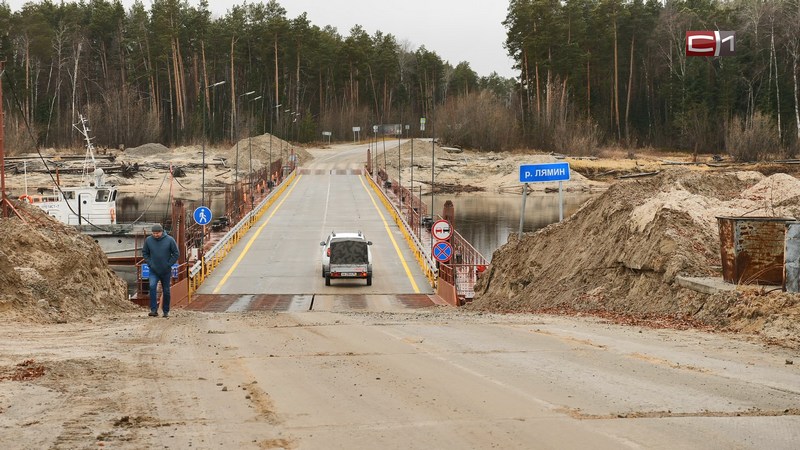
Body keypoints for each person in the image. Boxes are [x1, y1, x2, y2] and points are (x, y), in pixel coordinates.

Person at [142, 223, 180, 318]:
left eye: (157, 233)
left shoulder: (170, 240)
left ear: (162, 232)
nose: (155, 235)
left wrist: (169, 264)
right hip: (153, 270)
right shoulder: (148, 240)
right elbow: (145, 253)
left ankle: (166, 311)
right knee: (152, 287)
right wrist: (150, 263)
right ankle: (153, 310)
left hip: (166, 270)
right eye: (154, 233)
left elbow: (176, 253)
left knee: (166, 290)